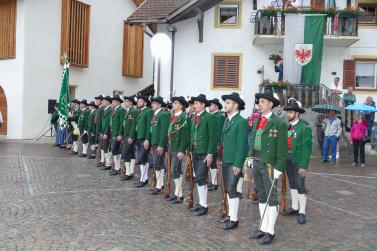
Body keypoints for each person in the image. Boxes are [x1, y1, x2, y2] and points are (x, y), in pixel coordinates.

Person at [247, 90, 288, 245]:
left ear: (271, 104)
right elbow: (252, 140)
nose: (259, 104)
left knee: (271, 197)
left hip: (270, 164)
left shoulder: (279, 123)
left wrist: (279, 167)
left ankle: (271, 231)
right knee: (262, 195)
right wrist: (250, 156)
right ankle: (263, 227)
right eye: (259, 101)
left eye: (263, 101)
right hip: (257, 160)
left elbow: (283, 149)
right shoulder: (257, 120)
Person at [218, 92, 248, 230]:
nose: (225, 104)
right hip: (226, 160)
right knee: (228, 189)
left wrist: (238, 164)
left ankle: (234, 219)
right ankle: (231, 215)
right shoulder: (227, 120)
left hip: (233, 162)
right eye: (226, 102)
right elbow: (223, 142)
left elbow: (243, 145)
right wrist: (220, 158)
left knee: (232, 189)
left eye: (228, 102)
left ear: (236, 105)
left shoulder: (241, 122)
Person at [282, 98, 312, 225]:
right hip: (288, 159)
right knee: (292, 184)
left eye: (290, 112)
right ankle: (294, 207)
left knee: (300, 185)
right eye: (287, 112)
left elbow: (307, 148)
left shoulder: (304, 128)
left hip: (299, 161)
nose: (288, 114)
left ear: (297, 113)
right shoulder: (287, 127)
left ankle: (302, 212)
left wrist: (304, 166)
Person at [189, 94, 217, 216]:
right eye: (194, 103)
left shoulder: (209, 117)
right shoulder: (194, 116)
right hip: (195, 151)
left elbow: (213, 137)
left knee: (200, 177)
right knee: (198, 178)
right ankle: (201, 203)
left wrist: (210, 154)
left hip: (204, 153)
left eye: (196, 104)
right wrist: (189, 149)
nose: (194, 106)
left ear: (203, 105)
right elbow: (191, 134)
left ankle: (204, 205)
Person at [165, 96, 190, 203]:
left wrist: (181, 150)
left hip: (178, 147)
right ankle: (177, 193)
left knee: (175, 169)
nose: (173, 105)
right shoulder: (173, 116)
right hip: (171, 146)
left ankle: (179, 194)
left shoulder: (184, 117)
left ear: (181, 105)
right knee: (173, 170)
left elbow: (185, 135)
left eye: (175, 103)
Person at [149, 96, 170, 194]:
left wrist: (161, 145)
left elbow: (164, 131)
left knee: (158, 163)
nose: (152, 105)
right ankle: (159, 184)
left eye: (154, 103)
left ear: (159, 105)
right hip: (155, 142)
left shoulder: (163, 115)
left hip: (160, 144)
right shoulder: (156, 114)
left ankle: (160, 185)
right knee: (157, 164)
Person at [134, 95, 154, 188]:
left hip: (144, 138)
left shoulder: (148, 111)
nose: (138, 102)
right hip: (139, 137)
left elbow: (149, 126)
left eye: (140, 101)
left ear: (145, 103)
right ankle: (143, 178)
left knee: (143, 158)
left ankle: (144, 179)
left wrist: (147, 139)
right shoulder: (140, 111)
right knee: (141, 159)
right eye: (138, 101)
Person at [207, 98, 226, 191]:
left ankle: (215, 183)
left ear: (216, 106)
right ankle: (213, 181)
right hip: (211, 142)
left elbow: (219, 131)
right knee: (211, 164)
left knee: (214, 163)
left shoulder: (220, 116)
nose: (209, 107)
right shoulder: (211, 116)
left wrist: (218, 143)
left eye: (211, 105)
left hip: (216, 143)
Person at [120, 95, 138, 181]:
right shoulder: (128, 111)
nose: (125, 103)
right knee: (130, 153)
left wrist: (131, 136)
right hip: (126, 135)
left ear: (131, 102)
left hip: (130, 136)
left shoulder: (133, 111)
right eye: (125, 101)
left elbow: (134, 125)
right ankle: (130, 172)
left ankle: (128, 172)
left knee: (126, 153)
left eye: (127, 101)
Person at [108, 93, 125, 176]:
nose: (112, 103)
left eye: (114, 101)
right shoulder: (114, 110)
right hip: (113, 132)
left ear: (118, 102)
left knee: (116, 149)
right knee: (114, 150)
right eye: (112, 101)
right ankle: (116, 167)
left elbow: (122, 123)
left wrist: (120, 134)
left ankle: (117, 168)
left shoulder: (121, 110)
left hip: (117, 133)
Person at [99, 96, 113, 170]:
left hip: (107, 132)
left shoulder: (110, 110)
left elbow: (107, 123)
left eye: (104, 101)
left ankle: (108, 164)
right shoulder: (104, 109)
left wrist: (105, 133)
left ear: (108, 102)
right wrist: (101, 131)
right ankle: (104, 161)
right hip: (103, 131)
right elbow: (102, 122)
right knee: (104, 146)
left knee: (107, 147)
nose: (102, 102)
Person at [94, 95, 105, 166]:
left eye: (98, 100)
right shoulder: (99, 109)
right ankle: (100, 159)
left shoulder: (101, 109)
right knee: (100, 145)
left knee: (102, 146)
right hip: (98, 129)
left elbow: (101, 121)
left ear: (101, 101)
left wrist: (101, 131)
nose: (96, 101)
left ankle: (102, 160)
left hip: (101, 130)